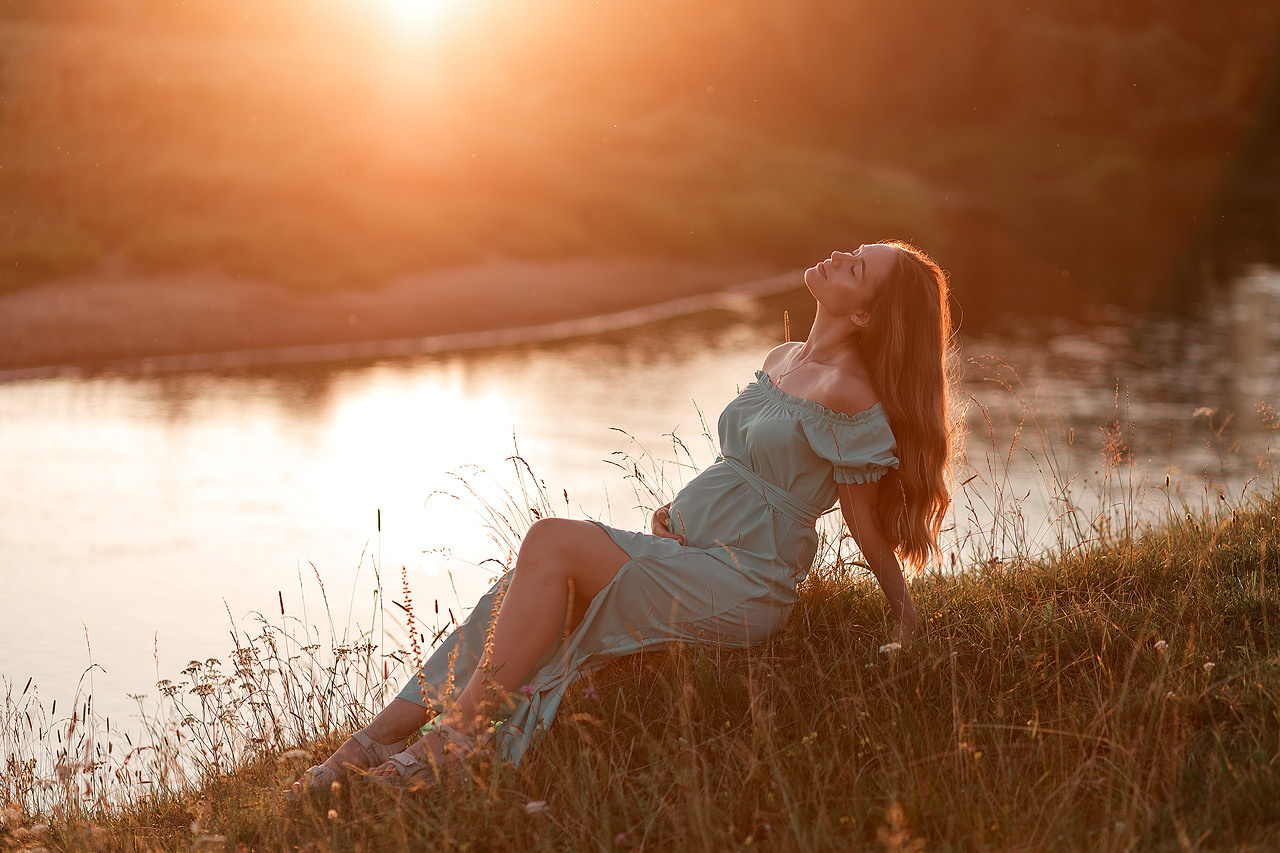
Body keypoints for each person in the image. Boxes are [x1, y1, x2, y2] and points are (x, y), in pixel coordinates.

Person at [289, 240, 954, 794]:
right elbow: (745, 469)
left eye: (856, 268)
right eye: (851, 252)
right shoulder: (785, 359)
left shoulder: (850, 393)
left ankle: (454, 741)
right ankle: (374, 741)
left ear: (866, 315)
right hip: (697, 554)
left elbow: (864, 524)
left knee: (551, 541)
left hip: (749, 581)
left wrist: (903, 608)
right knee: (508, 600)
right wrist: (685, 514)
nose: (838, 256)